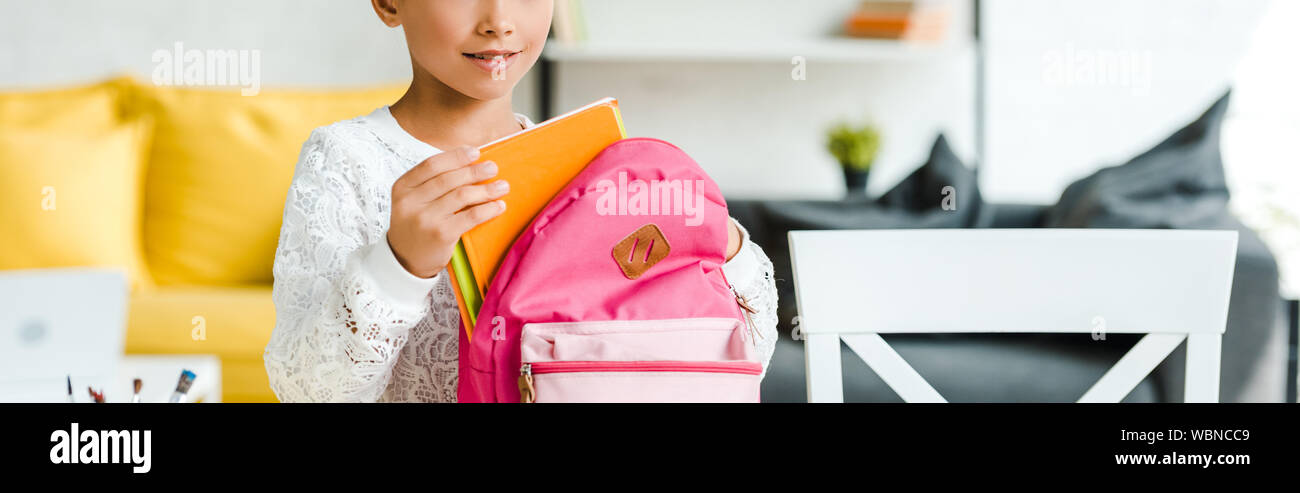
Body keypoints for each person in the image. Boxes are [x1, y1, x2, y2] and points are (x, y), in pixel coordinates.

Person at [263, 0, 779, 402]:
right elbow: (307, 389)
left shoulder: (587, 168)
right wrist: (398, 265)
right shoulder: (347, 158)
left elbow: (740, 358)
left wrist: (720, 241)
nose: (499, 21)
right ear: (389, 3)